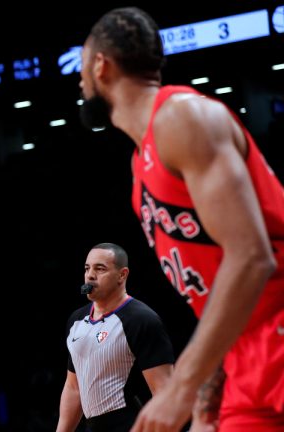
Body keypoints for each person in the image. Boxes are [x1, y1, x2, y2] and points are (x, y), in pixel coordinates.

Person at [78, 7, 284, 431]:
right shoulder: (141, 167)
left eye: (81, 68)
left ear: (101, 66)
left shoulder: (181, 117)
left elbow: (251, 257)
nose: (80, 82)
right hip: (242, 353)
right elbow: (217, 293)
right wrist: (208, 394)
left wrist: (182, 386)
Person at [56, 243, 174, 432]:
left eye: (100, 269)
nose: (90, 275)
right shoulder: (76, 320)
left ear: (122, 275)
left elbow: (164, 392)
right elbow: (73, 387)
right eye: (87, 268)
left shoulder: (141, 320)